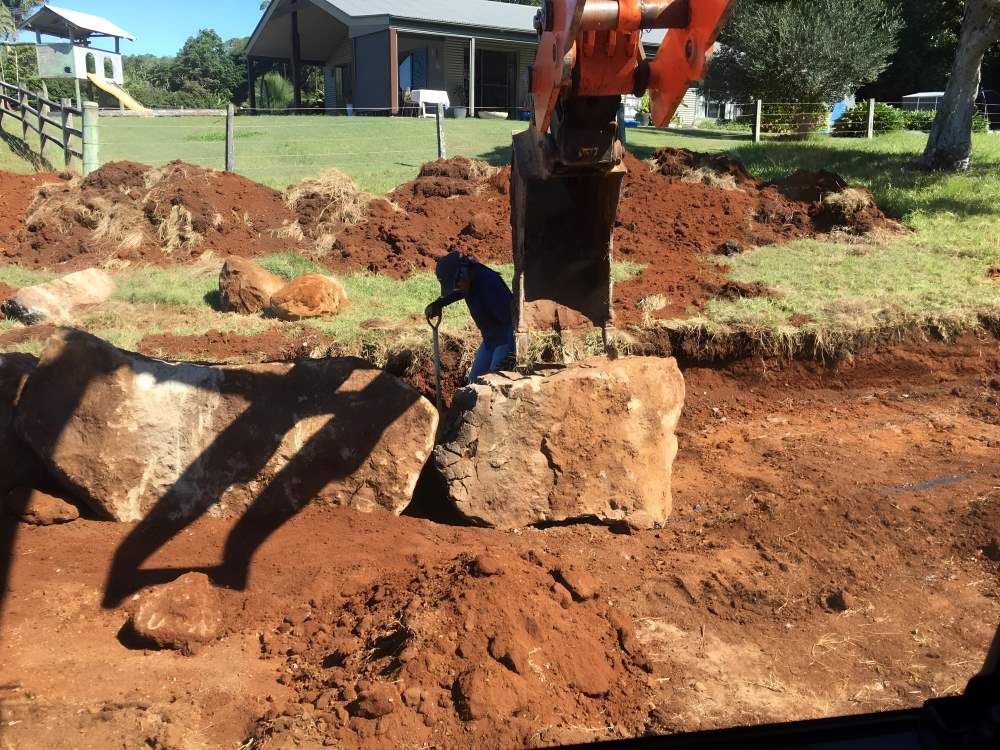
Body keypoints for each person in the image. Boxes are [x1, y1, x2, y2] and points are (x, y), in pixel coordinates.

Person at [425, 251, 515, 383]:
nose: (457, 289)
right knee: (473, 382)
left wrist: (510, 353)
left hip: (505, 340)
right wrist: (440, 303)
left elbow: (512, 320)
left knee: (494, 384)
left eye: (456, 285)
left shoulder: (489, 283)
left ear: (463, 272)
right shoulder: (467, 280)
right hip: (489, 340)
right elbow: (459, 292)